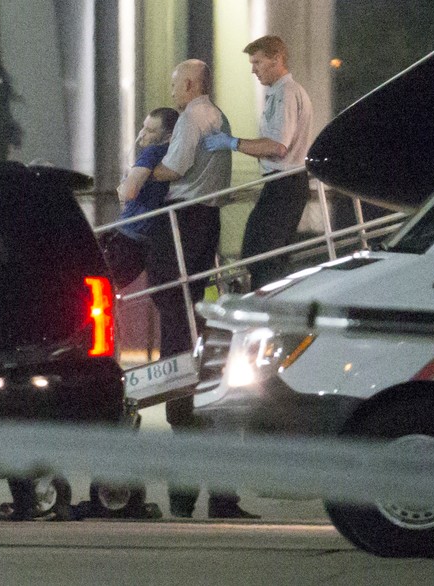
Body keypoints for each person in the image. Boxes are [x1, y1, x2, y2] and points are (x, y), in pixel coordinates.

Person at [148, 59, 256, 519]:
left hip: (183, 220)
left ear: (190, 84)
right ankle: (215, 496)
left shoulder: (192, 117)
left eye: (174, 83)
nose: (172, 90)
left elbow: (175, 167)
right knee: (192, 312)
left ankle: (183, 496)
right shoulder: (221, 116)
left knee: (172, 310)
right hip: (205, 222)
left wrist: (142, 171)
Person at [204, 35, 313, 290]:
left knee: (260, 255)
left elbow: (277, 146)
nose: (253, 69)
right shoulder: (284, 92)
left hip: (283, 182)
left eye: (258, 62)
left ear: (277, 59)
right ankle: (267, 311)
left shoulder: (285, 93)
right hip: (286, 182)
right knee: (267, 256)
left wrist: (232, 143)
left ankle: (263, 313)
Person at [98, 107, 180, 289]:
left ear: (168, 136)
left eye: (150, 131)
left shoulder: (152, 153)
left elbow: (128, 191)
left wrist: (125, 187)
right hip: (146, 239)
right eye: (144, 127)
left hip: (129, 235)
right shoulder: (174, 155)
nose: (142, 134)